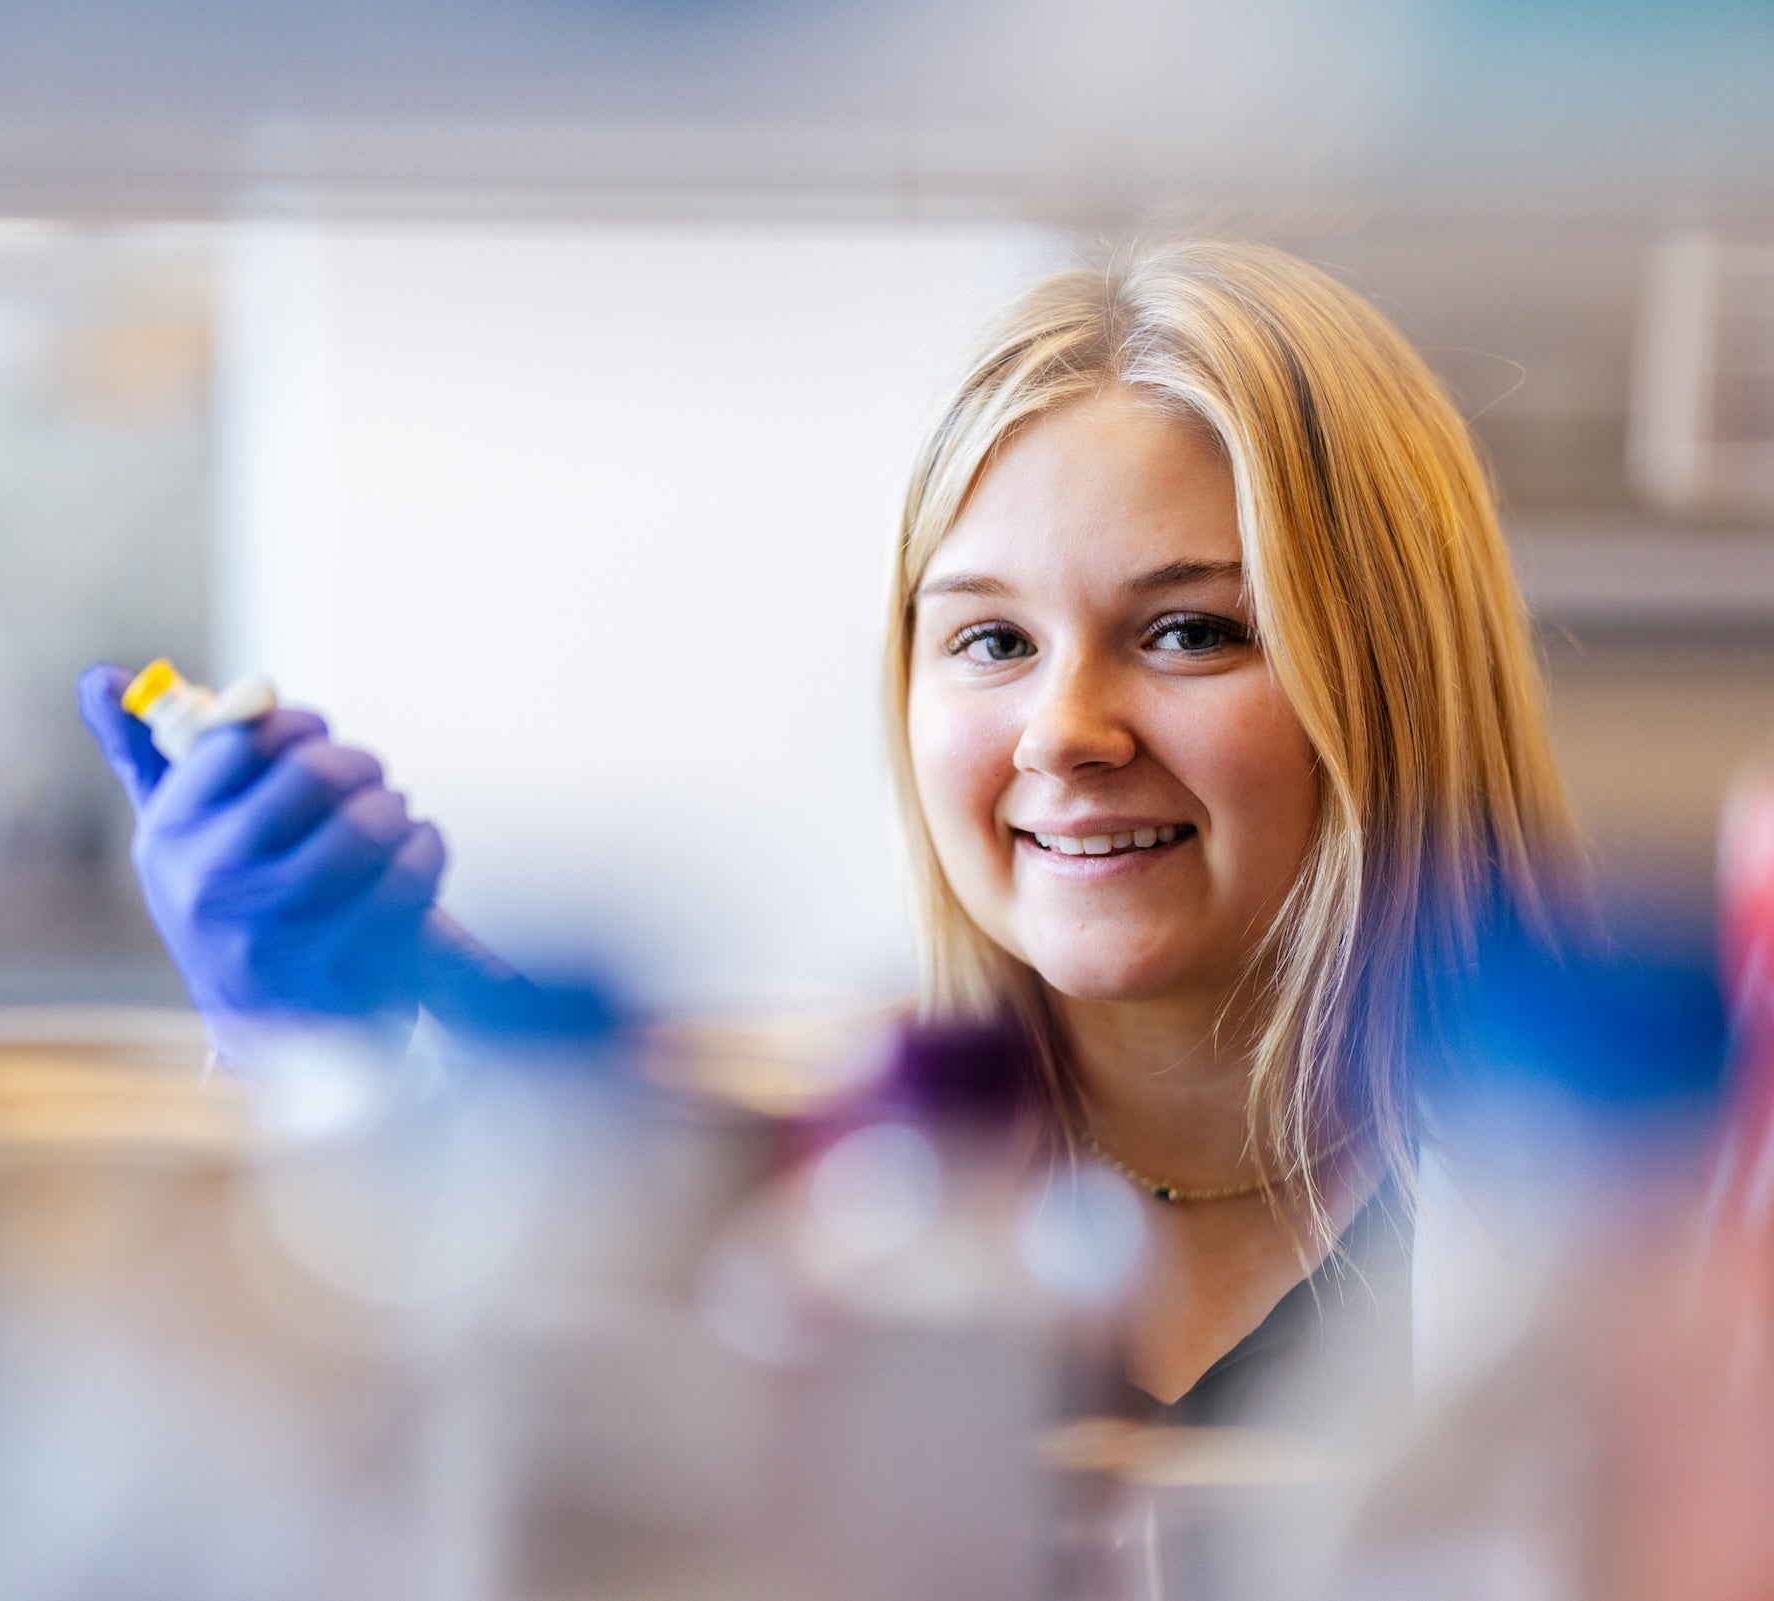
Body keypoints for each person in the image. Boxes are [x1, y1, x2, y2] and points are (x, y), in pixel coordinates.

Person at [78, 237, 1587, 1418]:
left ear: (1389, 672)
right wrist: (310, 1066)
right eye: (992, 642)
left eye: (1188, 630)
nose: (1066, 731)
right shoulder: (780, 1208)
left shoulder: (1617, 1241)